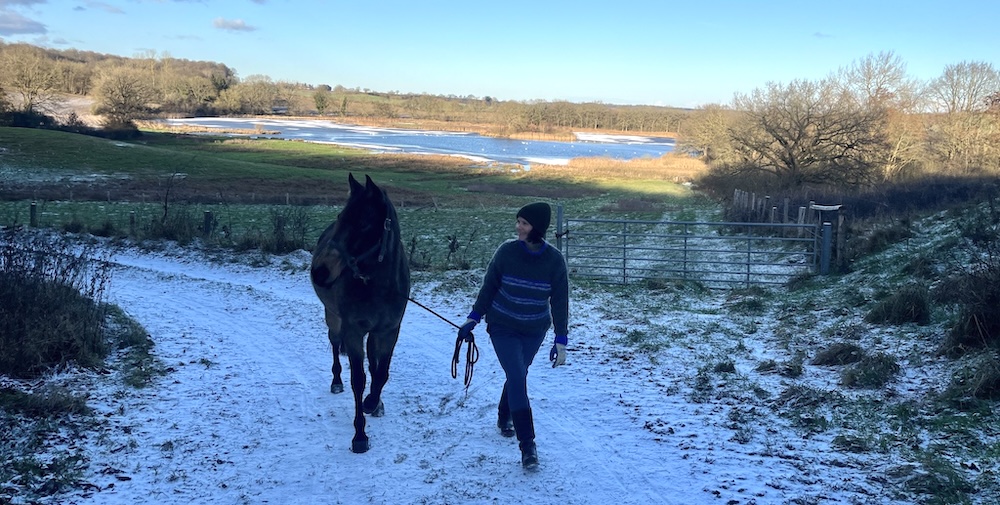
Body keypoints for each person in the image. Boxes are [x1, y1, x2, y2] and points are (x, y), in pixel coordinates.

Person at [457, 202, 569, 470]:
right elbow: (489, 287)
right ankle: (528, 446)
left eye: (524, 223)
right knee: (517, 376)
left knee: (519, 373)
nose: (518, 227)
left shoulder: (554, 261)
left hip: (534, 329)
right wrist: (474, 317)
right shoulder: (506, 253)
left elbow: (560, 301)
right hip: (502, 325)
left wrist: (561, 339)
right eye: (518, 221)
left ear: (537, 229)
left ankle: (504, 413)